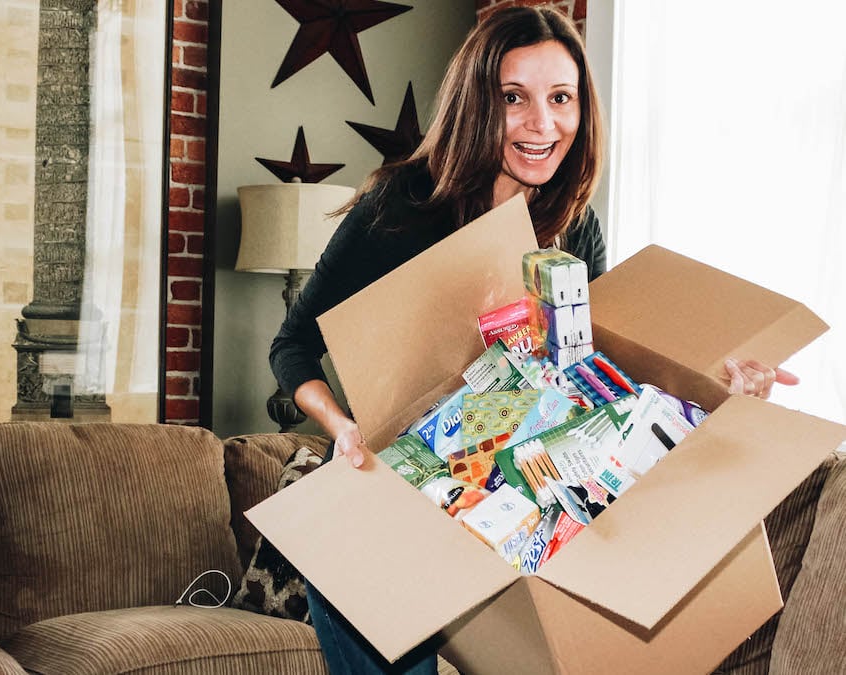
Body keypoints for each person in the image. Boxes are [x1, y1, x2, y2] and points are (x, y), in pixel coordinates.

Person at [269, 6, 796, 673]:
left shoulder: (575, 226)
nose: (542, 123)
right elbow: (291, 345)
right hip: (393, 502)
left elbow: (600, 379)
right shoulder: (401, 206)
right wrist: (341, 426)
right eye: (513, 97)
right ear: (476, 104)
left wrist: (722, 390)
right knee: (368, 608)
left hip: (514, 502)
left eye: (561, 98)